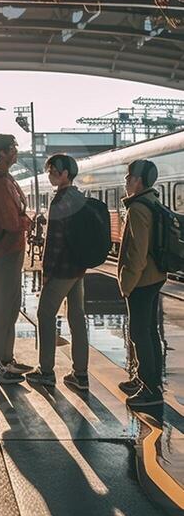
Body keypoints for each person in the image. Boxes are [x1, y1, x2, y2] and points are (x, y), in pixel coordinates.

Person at [26, 154, 90, 391]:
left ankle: (45, 370)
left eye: (54, 171)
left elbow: (54, 240)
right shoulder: (79, 197)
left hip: (62, 270)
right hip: (78, 269)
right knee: (77, 318)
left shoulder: (60, 200)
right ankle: (80, 374)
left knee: (45, 314)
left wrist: (46, 272)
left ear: (65, 174)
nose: (50, 175)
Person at [0, 134, 32, 384]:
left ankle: (6, 359)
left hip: (13, 252)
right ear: (2, 153)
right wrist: (27, 221)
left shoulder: (7, 179)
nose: (16, 151)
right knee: (1, 310)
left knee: (11, 309)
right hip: (4, 254)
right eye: (13, 148)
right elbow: (9, 222)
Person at [117, 159, 166, 410]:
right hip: (156, 276)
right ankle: (150, 379)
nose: (125, 182)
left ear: (138, 180)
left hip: (142, 280)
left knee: (139, 333)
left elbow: (137, 252)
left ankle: (149, 390)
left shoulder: (137, 208)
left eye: (128, 178)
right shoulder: (154, 201)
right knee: (150, 330)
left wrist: (128, 282)